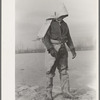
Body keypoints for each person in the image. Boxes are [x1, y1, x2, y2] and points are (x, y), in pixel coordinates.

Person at [39, 4, 77, 100]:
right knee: (50, 72)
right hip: (52, 49)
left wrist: (72, 50)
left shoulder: (65, 25)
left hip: (63, 49)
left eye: (64, 16)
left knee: (64, 71)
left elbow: (68, 38)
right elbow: (44, 38)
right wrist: (50, 49)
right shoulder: (49, 23)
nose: (62, 17)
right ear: (58, 14)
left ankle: (66, 92)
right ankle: (48, 93)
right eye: (61, 15)